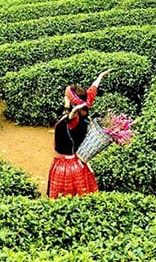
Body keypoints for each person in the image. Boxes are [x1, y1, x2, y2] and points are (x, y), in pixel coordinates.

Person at [47, 69, 112, 199]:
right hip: (79, 163)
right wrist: (100, 77)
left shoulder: (72, 119)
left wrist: (69, 110)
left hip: (66, 166)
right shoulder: (85, 107)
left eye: (66, 96)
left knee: (63, 199)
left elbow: (69, 118)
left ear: (72, 102)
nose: (64, 97)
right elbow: (92, 91)